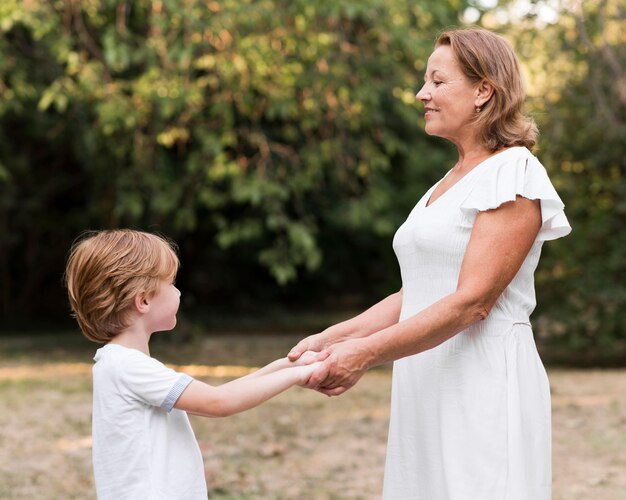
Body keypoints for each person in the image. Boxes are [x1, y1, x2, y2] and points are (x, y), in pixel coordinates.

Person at [288, 27, 571, 499]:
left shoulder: (513, 173)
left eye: (438, 82)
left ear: (484, 91)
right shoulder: (449, 180)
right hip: (426, 375)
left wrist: (364, 355)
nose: (422, 94)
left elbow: (471, 302)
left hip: (480, 379)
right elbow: (417, 293)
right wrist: (334, 337)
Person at [64, 229, 320, 500]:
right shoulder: (127, 367)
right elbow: (219, 403)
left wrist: (288, 365)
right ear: (144, 300)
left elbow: (221, 393)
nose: (178, 291)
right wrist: (300, 375)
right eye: (171, 283)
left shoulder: (121, 363)